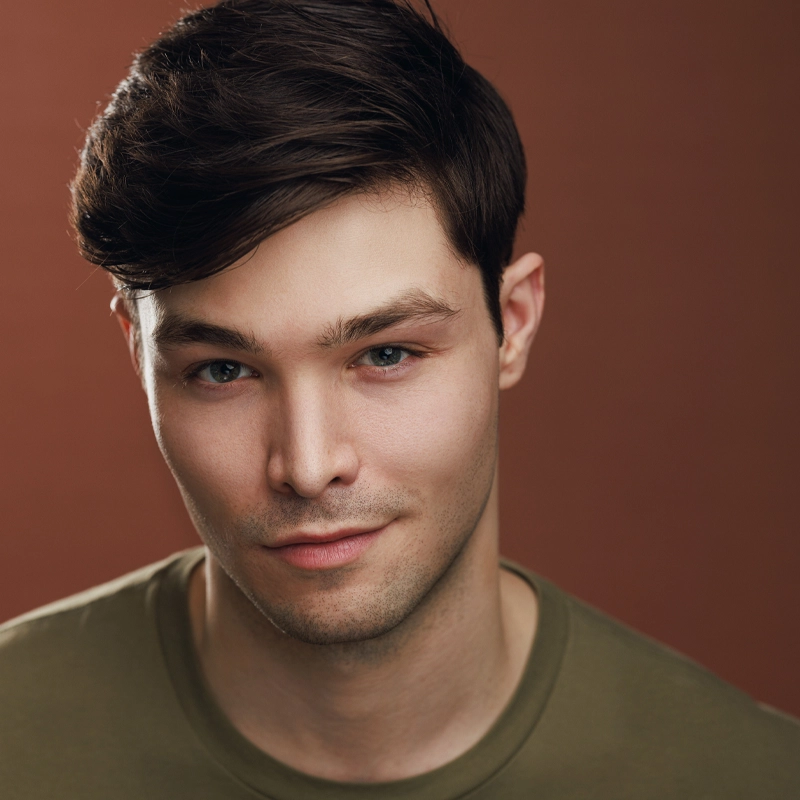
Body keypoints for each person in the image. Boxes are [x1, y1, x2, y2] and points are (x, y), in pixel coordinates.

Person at [1, 0, 798, 796]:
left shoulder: (747, 777)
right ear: (140, 356)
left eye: (385, 354)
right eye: (223, 371)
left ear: (512, 324)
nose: (309, 467)